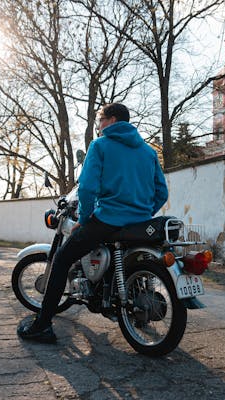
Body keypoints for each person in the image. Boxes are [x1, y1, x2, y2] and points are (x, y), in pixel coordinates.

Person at [17, 103, 168, 343]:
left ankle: (43, 325)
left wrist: (85, 219)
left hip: (107, 220)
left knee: (62, 259)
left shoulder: (100, 145)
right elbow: (162, 193)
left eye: (100, 121)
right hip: (138, 224)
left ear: (111, 120)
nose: (98, 126)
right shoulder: (148, 152)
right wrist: (142, 211)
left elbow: (86, 188)